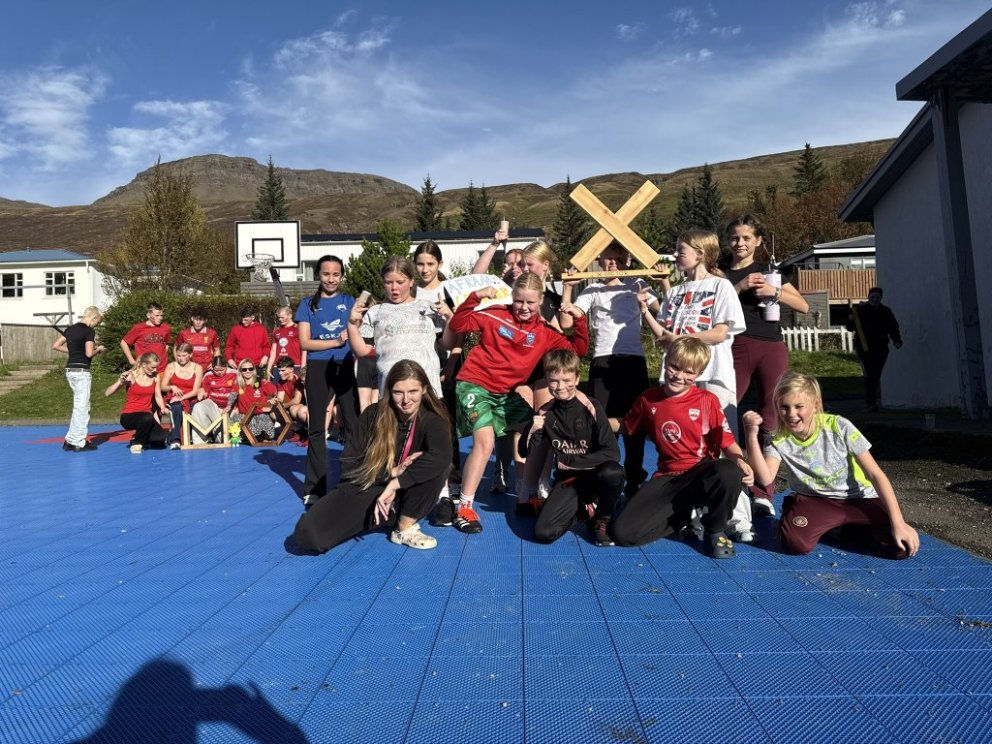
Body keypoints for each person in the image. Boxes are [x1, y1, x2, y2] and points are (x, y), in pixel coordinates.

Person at [440, 272, 588, 534]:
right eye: (519, 301)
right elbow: (459, 325)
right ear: (512, 297)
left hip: (504, 394)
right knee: (485, 442)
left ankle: (525, 496)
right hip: (475, 384)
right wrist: (475, 297)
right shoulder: (496, 314)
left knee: (538, 431)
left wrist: (580, 320)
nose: (524, 307)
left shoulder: (544, 333)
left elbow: (578, 351)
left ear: (541, 301)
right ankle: (464, 507)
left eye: (530, 302)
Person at [639, 228, 754, 543]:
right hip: (679, 378)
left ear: (700, 253)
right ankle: (695, 511)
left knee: (722, 443)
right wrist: (645, 310)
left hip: (713, 375)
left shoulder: (721, 286)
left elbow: (719, 333)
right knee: (686, 446)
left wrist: (681, 339)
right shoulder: (675, 292)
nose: (676, 254)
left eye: (681, 249)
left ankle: (737, 516)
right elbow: (665, 336)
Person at [743, 371, 919, 558]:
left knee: (900, 548)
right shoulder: (778, 438)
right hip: (816, 500)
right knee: (794, 543)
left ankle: (842, 529)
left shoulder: (839, 427)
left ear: (815, 405)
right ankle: (805, 514)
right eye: (784, 407)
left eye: (799, 406)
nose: (791, 414)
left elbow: (875, 474)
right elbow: (765, 478)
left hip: (858, 498)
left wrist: (898, 522)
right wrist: (750, 434)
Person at [611, 337, 754, 558]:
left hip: (699, 472)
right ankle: (684, 514)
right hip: (668, 477)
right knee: (623, 533)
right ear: (665, 361)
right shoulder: (648, 399)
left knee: (728, 470)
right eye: (674, 367)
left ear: (699, 374)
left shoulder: (707, 400)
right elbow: (625, 425)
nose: (679, 376)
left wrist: (740, 460)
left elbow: (727, 443)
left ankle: (715, 529)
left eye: (689, 372)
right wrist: (594, 417)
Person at [291, 361, 453, 553]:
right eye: (398, 392)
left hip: (408, 489)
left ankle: (405, 525)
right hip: (369, 486)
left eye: (413, 391)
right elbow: (349, 466)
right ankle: (385, 516)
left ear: (424, 390)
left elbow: (442, 457)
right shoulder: (373, 415)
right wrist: (391, 473)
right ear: (389, 391)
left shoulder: (432, 420)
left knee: (438, 465)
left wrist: (397, 483)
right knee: (308, 534)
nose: (406, 400)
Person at [722, 214, 809, 516]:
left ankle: (763, 492)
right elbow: (712, 305)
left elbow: (803, 305)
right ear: (727, 241)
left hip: (771, 346)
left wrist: (775, 292)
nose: (740, 243)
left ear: (758, 241)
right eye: (735, 237)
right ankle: (729, 482)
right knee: (724, 411)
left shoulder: (770, 271)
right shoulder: (720, 274)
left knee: (771, 416)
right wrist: (740, 285)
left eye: (747, 238)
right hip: (735, 346)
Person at [562, 241, 661, 494]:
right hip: (603, 359)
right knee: (601, 421)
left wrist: (662, 281)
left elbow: (663, 311)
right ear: (599, 261)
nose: (612, 263)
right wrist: (568, 288)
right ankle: (605, 476)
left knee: (634, 420)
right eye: (607, 258)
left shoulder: (637, 284)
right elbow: (566, 321)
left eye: (618, 258)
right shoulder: (592, 289)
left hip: (633, 360)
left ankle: (634, 477)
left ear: (628, 261)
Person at [519, 349, 624, 546]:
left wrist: (571, 461)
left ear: (576, 378)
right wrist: (530, 430)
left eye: (566, 380)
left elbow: (612, 453)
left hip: (596, 476)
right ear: (547, 380)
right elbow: (524, 452)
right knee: (544, 533)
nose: (560, 387)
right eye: (554, 381)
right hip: (568, 481)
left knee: (614, 472)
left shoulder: (591, 406)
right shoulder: (545, 413)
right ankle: (582, 510)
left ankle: (601, 520)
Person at [296, 255, 360, 504]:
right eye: (326, 274)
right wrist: (335, 342)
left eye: (335, 274)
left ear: (341, 276)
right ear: (318, 276)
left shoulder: (349, 301)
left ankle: (353, 482)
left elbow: (359, 330)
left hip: (345, 365)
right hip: (318, 367)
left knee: (352, 424)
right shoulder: (307, 304)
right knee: (316, 428)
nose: (331, 279)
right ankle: (314, 488)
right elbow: (305, 342)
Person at [347, 256, 446, 399]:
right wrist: (351, 325)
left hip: (428, 391)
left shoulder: (428, 307)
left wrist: (450, 318)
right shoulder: (375, 312)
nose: (394, 288)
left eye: (400, 282)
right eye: (388, 282)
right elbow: (362, 351)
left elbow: (447, 342)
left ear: (411, 281)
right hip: (391, 393)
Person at [414, 239, 464, 490]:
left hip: (445, 356)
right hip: (418, 356)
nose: (425, 269)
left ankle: (452, 478)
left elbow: (461, 331)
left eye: (430, 264)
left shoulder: (450, 291)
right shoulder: (411, 291)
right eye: (420, 264)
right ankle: (423, 475)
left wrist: (452, 363)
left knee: (446, 421)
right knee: (419, 419)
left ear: (440, 264)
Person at [52, 306, 106, 452]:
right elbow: (89, 354)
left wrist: (74, 350)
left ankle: (70, 439)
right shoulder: (89, 331)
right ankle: (78, 442)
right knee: (83, 407)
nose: (95, 326)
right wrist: (98, 350)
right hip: (82, 371)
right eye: (97, 323)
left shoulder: (71, 329)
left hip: (70, 370)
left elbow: (56, 345)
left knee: (78, 406)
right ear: (93, 318)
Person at [846, 286, 902, 412]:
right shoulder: (860, 310)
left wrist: (897, 340)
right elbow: (850, 327)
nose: (875, 299)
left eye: (877, 297)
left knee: (875, 375)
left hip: (881, 348)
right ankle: (871, 403)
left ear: (881, 298)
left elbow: (893, 326)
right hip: (864, 347)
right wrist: (850, 319)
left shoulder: (885, 311)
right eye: (873, 297)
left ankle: (871, 403)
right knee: (870, 374)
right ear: (868, 297)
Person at [105, 352, 168, 453]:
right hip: (129, 416)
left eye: (156, 367)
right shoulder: (131, 376)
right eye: (152, 367)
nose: (155, 370)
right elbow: (107, 393)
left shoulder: (155, 377)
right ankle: (136, 442)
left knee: (161, 439)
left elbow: (157, 395)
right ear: (144, 365)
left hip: (147, 417)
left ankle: (142, 437)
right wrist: (120, 381)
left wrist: (162, 407)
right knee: (147, 417)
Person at [161, 342, 204, 449]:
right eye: (179, 355)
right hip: (174, 398)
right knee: (176, 406)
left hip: (191, 398)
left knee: (199, 408)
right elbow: (163, 387)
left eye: (184, 355)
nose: (181, 358)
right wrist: (172, 387)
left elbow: (195, 391)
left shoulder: (197, 368)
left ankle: (202, 435)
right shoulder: (171, 366)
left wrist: (182, 398)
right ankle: (175, 440)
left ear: (190, 354)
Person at [190, 356, 237, 443]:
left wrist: (230, 406)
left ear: (226, 366)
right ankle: (199, 441)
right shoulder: (208, 376)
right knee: (198, 407)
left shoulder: (234, 374)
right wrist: (201, 393)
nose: (219, 372)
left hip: (231, 409)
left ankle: (216, 436)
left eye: (222, 370)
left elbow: (236, 392)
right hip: (214, 407)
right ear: (212, 368)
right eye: (216, 370)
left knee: (222, 440)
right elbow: (205, 392)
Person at [232, 359, 280, 442]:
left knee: (264, 433)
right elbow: (233, 400)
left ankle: (268, 432)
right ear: (240, 371)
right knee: (231, 423)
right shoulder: (237, 385)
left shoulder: (261, 381)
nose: (247, 371)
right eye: (244, 369)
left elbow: (274, 392)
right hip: (245, 416)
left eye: (250, 369)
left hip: (260, 415)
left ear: (254, 370)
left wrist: (272, 399)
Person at [120, 302, 171, 374]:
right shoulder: (138, 328)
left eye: (161, 315)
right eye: (157, 315)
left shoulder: (166, 328)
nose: (160, 318)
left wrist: (162, 356)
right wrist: (132, 361)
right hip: (144, 369)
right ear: (148, 315)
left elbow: (167, 344)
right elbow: (123, 342)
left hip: (162, 369)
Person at [266, 305, 304, 382]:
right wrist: (269, 368)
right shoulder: (277, 331)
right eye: (279, 317)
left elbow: (304, 350)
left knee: (294, 389)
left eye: (282, 317)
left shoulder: (298, 329)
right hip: (278, 367)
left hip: (294, 366)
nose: (280, 319)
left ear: (290, 316)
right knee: (276, 388)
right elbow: (273, 351)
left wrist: (303, 367)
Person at [274, 356, 307, 430]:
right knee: (273, 413)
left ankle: (305, 429)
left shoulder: (298, 379)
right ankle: (295, 428)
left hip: (304, 405)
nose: (280, 373)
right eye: (279, 371)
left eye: (283, 370)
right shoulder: (281, 381)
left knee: (293, 409)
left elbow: (297, 400)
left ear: (291, 369)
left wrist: (283, 406)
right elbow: (280, 398)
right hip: (293, 405)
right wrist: (276, 402)